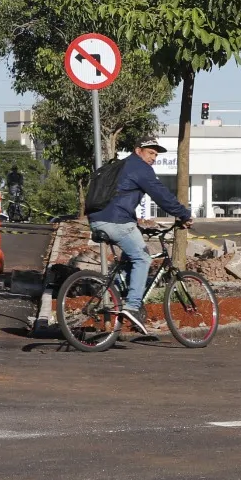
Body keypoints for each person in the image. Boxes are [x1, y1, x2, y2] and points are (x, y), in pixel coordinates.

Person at [86, 137, 193, 336]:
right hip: (116, 221)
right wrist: (183, 214)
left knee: (129, 258)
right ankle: (133, 305)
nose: (153, 158)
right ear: (138, 151)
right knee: (142, 258)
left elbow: (120, 197)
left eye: (156, 155)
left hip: (99, 219)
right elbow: (161, 195)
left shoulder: (122, 166)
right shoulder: (140, 168)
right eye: (150, 153)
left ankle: (117, 291)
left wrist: (137, 224)